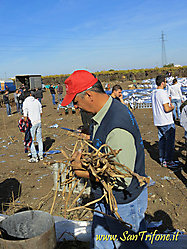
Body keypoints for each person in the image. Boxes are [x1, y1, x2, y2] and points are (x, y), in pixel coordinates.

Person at [61, 70, 148, 248]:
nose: (76, 107)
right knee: (101, 244)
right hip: (104, 197)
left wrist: (82, 172)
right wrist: (91, 138)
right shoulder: (105, 111)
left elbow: (121, 178)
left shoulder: (117, 127)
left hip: (123, 204)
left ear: (89, 95)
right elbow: (107, 150)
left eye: (76, 102)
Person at [151, 75, 179, 169]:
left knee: (162, 141)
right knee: (170, 142)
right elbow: (167, 108)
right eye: (165, 82)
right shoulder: (162, 93)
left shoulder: (153, 92)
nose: (166, 84)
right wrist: (172, 107)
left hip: (158, 121)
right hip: (166, 121)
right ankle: (169, 161)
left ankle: (162, 159)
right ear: (162, 83)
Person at [23, 90, 43, 163]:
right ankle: (41, 155)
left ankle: (34, 156)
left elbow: (25, 116)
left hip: (32, 123)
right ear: (31, 94)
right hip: (39, 121)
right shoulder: (37, 101)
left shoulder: (25, 103)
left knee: (30, 140)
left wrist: (25, 123)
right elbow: (41, 112)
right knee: (39, 139)